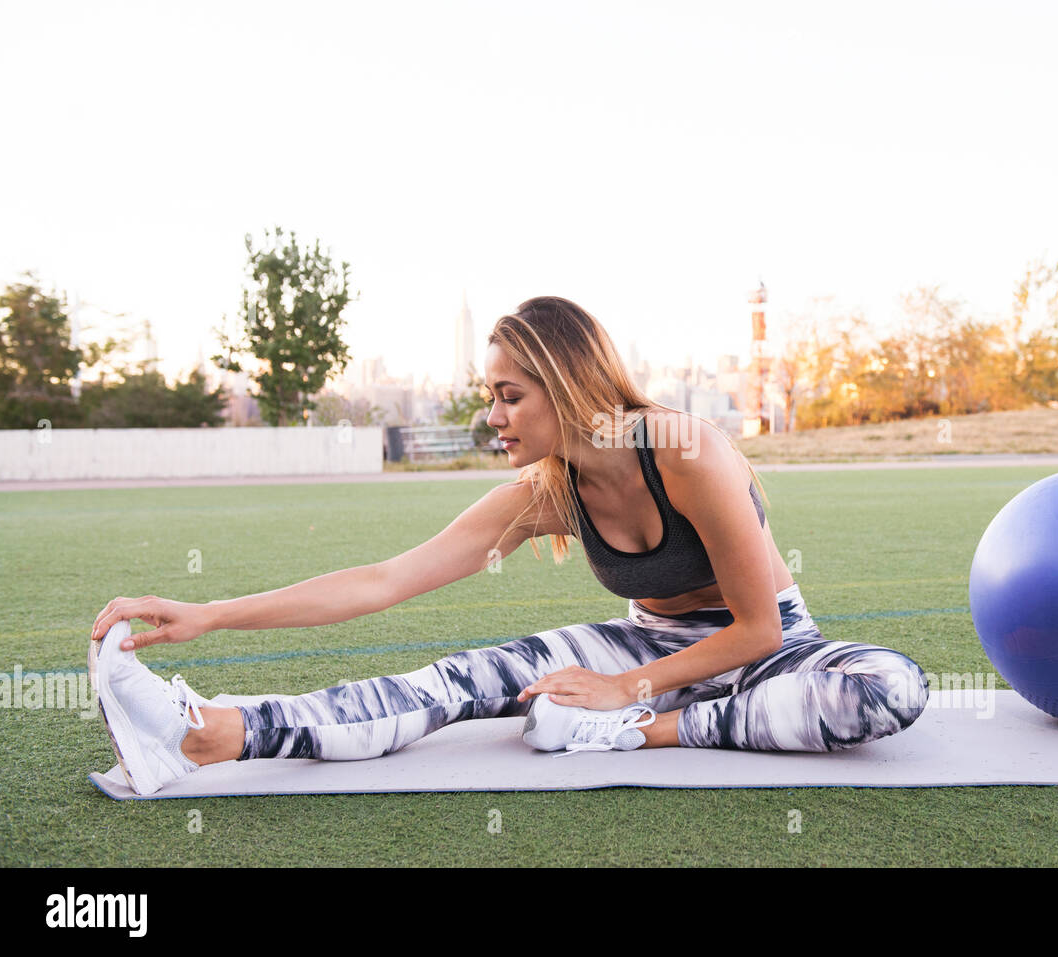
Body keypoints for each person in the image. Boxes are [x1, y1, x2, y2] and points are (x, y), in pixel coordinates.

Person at [88, 296, 930, 796]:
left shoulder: (687, 449)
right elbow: (382, 581)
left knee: (889, 689)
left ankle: (639, 733)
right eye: (489, 395)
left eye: (508, 395)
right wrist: (211, 613)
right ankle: (209, 733)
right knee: (455, 679)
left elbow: (759, 633)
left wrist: (624, 697)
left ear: (567, 384)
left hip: (762, 652)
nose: (492, 416)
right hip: (646, 646)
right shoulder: (543, 494)